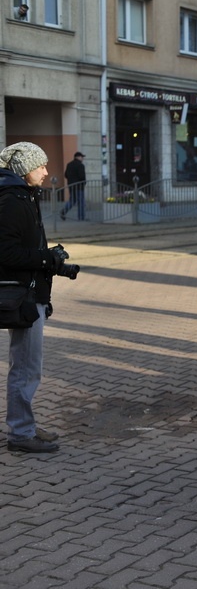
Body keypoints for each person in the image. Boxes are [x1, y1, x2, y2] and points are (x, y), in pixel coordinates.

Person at [0, 142, 67, 453]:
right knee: (25, 367)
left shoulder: (23, 196)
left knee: (28, 366)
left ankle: (23, 423)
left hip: (31, 292)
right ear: (25, 169)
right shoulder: (13, 201)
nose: (46, 171)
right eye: (40, 165)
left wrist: (51, 261)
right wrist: (45, 259)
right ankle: (21, 434)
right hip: (23, 296)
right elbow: (6, 252)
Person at [61, 151, 86, 221]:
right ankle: (81, 217)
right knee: (81, 202)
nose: (82, 158)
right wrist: (84, 183)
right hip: (79, 187)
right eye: (81, 157)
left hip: (71, 186)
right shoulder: (80, 165)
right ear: (77, 157)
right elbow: (82, 176)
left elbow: (66, 175)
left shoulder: (69, 164)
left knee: (72, 201)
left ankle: (64, 211)